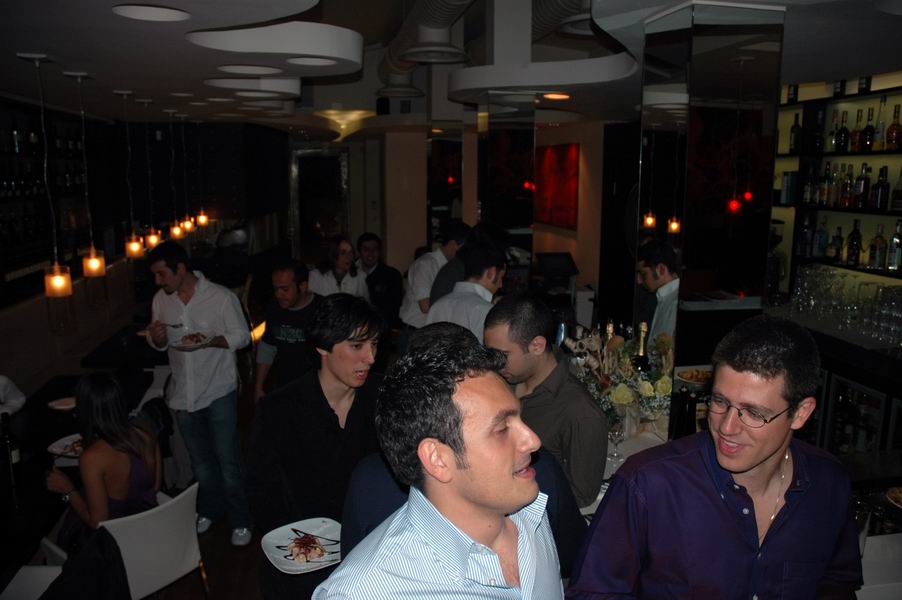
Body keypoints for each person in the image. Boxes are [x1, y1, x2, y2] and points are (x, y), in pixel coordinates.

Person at [567, 315, 863, 599]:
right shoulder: (648, 484)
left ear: (801, 413)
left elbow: (837, 584)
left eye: (754, 413)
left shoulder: (828, 483)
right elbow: (590, 593)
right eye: (720, 401)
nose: (727, 427)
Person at [314, 330, 564, 599]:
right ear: (437, 459)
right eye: (502, 429)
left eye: (520, 419)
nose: (532, 440)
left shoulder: (532, 515)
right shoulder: (363, 593)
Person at [247, 293, 383, 599]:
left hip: (370, 551)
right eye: (357, 346)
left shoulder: (383, 397)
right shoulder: (279, 409)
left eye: (374, 344)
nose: (371, 357)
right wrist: (296, 542)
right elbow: (260, 489)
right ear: (323, 346)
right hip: (303, 556)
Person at [145, 241, 252, 546]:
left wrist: (211, 341)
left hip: (218, 389)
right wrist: (157, 338)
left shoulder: (220, 297)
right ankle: (210, 509)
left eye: (162, 274)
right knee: (201, 463)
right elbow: (160, 344)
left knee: (228, 461)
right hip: (183, 394)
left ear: (180, 268)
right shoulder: (161, 300)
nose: (158, 281)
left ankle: (241, 519)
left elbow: (243, 337)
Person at [484, 294, 609, 508]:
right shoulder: (500, 382)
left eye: (503, 355)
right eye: (490, 354)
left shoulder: (580, 411)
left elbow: (582, 495)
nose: (494, 363)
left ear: (537, 346)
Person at [45, 373, 160, 551]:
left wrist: (67, 490)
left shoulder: (92, 458)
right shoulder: (146, 436)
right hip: (150, 527)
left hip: (117, 542)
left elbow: (98, 522)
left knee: (63, 532)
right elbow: (155, 487)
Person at [253, 260, 321, 401]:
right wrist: (258, 387)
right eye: (275, 289)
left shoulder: (322, 310)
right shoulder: (274, 308)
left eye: (284, 289)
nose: (279, 295)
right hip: (282, 385)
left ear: (302, 286)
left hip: (316, 387)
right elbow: (267, 347)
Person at [398, 219, 470, 345]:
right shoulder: (425, 264)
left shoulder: (454, 267)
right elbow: (425, 306)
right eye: (465, 247)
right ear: (453, 244)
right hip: (416, 334)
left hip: (433, 334)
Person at [426, 237, 507, 342]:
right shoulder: (486, 311)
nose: (500, 285)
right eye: (501, 277)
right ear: (491, 273)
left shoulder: (437, 305)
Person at [635, 239, 679, 342]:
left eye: (643, 274)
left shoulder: (675, 303)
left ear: (661, 269)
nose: (638, 281)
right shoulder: (662, 297)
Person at [357, 232, 403, 328]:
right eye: (366, 250)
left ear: (379, 252)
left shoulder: (392, 275)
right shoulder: (350, 272)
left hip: (381, 328)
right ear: (359, 252)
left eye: (375, 249)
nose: (370, 253)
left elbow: (393, 309)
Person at [308, 234, 370, 300]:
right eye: (343, 253)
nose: (348, 257)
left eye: (350, 252)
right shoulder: (316, 276)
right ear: (332, 255)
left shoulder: (360, 276)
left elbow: (365, 303)